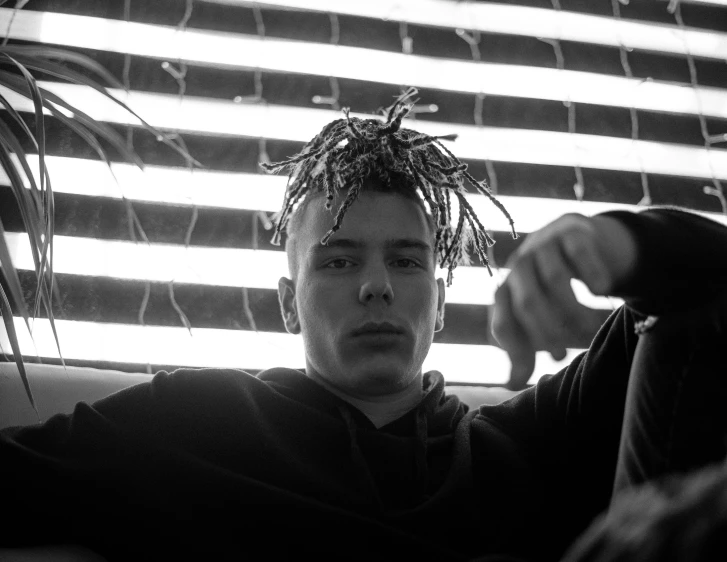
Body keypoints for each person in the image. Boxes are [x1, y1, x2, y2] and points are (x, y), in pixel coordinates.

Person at [2, 92, 727, 562]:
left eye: (406, 262)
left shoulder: (532, 437)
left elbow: (702, 308)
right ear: (289, 302)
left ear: (439, 303)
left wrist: (620, 244)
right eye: (339, 261)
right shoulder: (189, 419)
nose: (377, 285)